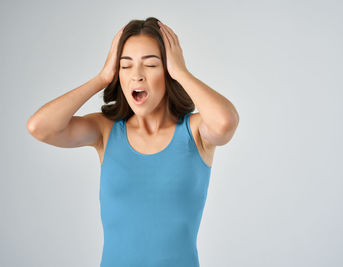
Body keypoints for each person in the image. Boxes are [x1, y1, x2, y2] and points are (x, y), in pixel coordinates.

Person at [27, 17, 239, 267]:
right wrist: (102, 78)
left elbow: (225, 123)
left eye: (150, 65)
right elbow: (39, 127)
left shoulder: (194, 132)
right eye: (125, 66)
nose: (136, 75)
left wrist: (181, 72)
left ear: (168, 72)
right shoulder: (105, 130)